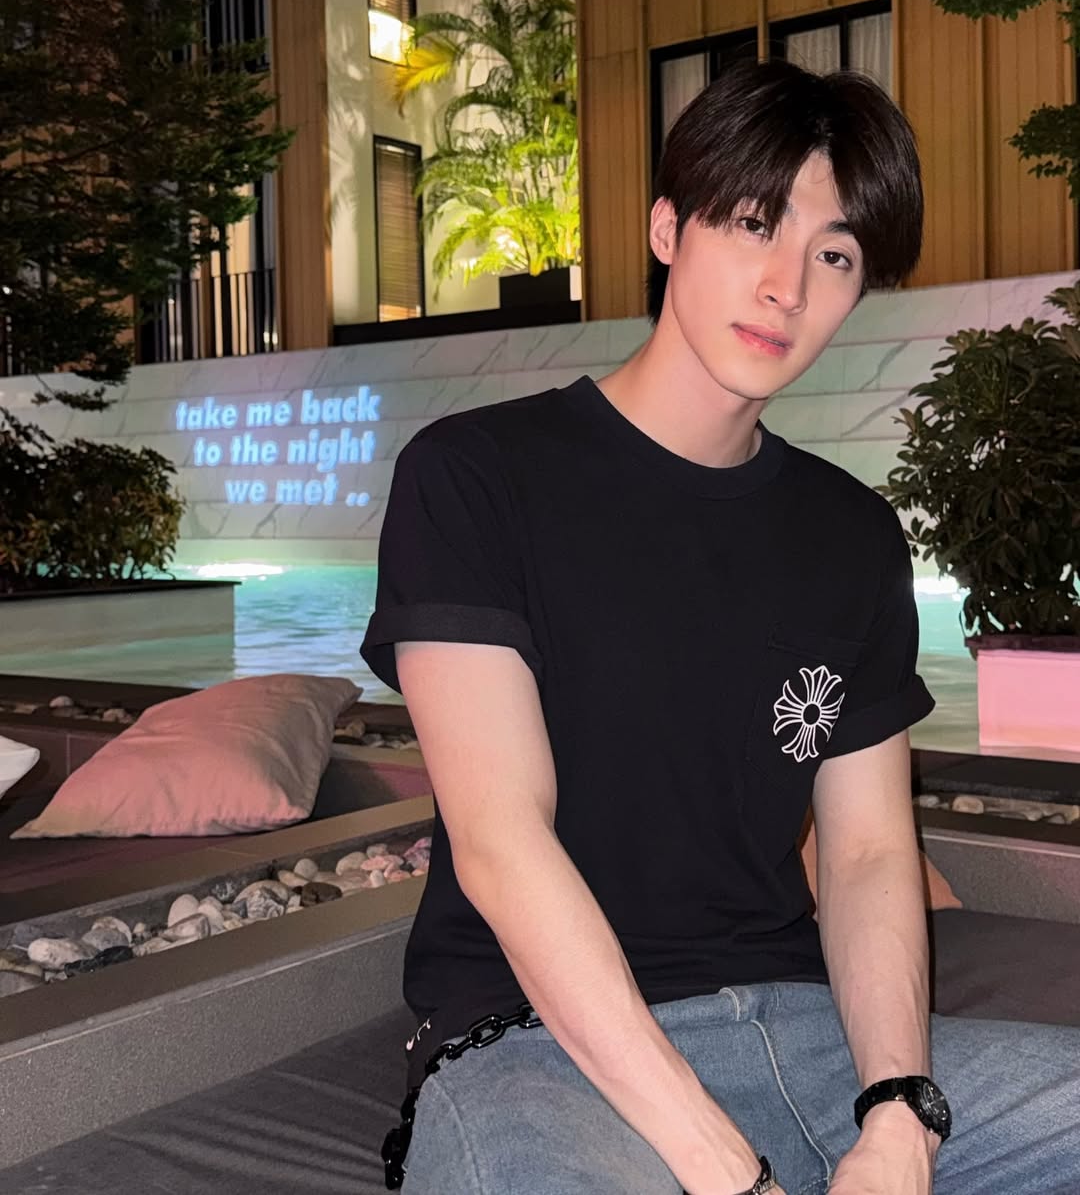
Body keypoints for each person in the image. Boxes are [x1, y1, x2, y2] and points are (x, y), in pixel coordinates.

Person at [360, 58, 1080, 1195]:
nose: (787, 287)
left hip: (807, 1033)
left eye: (835, 255)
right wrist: (724, 1168)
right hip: (541, 1052)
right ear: (667, 228)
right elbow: (502, 841)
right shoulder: (477, 476)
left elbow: (868, 854)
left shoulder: (852, 535)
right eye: (754, 223)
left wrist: (900, 1115)